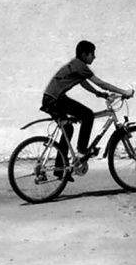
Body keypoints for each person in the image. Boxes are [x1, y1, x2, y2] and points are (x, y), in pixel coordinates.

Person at [41, 41, 131, 174]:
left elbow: (84, 83)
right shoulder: (80, 65)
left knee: (68, 128)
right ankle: (82, 152)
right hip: (55, 100)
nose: (94, 57)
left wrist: (99, 94)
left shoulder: (76, 64)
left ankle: (59, 169)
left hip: (51, 99)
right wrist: (124, 92)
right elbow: (101, 83)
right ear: (84, 54)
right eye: (92, 54)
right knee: (87, 114)